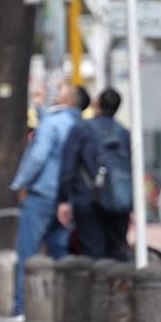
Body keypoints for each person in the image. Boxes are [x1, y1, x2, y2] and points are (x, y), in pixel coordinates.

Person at [7, 82, 80, 320]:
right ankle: (64, 310)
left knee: (28, 253)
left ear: (68, 99)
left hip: (42, 195)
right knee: (61, 253)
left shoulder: (51, 123)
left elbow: (38, 156)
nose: (54, 92)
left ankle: (22, 308)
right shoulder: (78, 124)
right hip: (67, 199)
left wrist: (20, 183)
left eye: (59, 90)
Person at [57, 88, 131, 260]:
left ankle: (98, 287)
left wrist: (63, 200)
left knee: (93, 252)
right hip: (119, 201)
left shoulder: (81, 129)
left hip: (87, 200)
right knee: (118, 251)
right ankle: (118, 285)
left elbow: (68, 167)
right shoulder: (124, 133)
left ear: (96, 103)